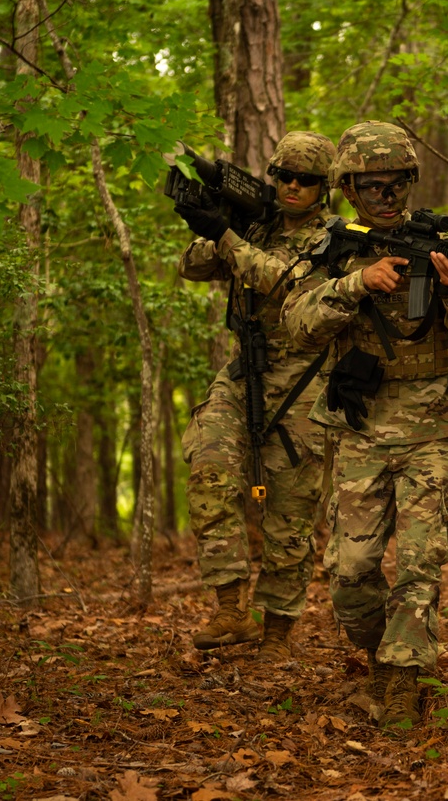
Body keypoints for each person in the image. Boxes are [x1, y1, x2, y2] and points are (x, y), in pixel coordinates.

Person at [281, 121, 448, 727]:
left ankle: (402, 683)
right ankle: (381, 654)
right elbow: (297, 323)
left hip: (434, 426)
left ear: (409, 182)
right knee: (348, 571)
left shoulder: (434, 245)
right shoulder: (331, 248)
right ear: (349, 189)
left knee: (418, 560)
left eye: (394, 182)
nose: (383, 194)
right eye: (369, 184)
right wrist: (356, 282)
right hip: (358, 428)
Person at [175, 131, 336, 663]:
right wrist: (220, 221)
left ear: (325, 187)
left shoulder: (337, 239)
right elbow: (193, 266)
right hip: (244, 371)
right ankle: (229, 607)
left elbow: (287, 285)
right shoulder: (258, 225)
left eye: (306, 180)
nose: (293, 186)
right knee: (208, 468)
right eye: (284, 176)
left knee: (290, 514)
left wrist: (228, 236)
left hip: (303, 380)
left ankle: (277, 635)